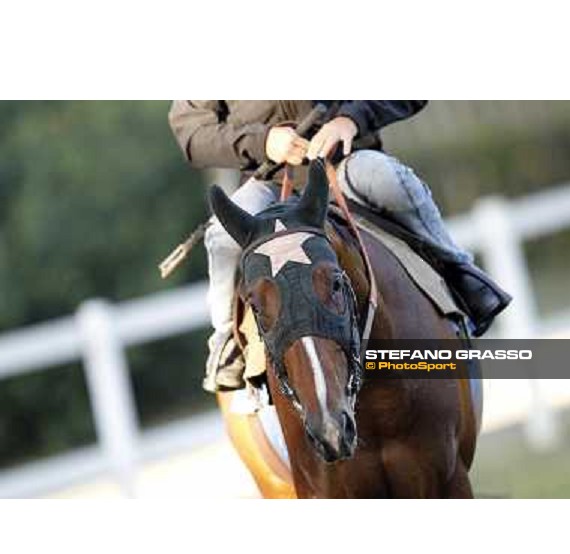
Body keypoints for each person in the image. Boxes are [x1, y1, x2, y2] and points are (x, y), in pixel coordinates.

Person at [168, 101, 511, 392]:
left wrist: (351, 119)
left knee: (388, 180)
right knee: (222, 237)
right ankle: (228, 340)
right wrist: (264, 141)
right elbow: (191, 131)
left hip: (347, 164)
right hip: (268, 181)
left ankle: (458, 274)